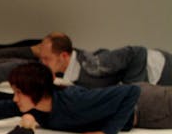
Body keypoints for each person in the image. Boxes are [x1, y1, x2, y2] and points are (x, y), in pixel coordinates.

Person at [0, 62, 172, 134]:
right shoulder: (35, 107)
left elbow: (132, 91)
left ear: (37, 92)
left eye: (19, 92)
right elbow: (2, 108)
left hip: (149, 105)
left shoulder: (75, 100)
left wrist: (107, 132)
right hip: (138, 113)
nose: (15, 98)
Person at [36, 32, 172, 87]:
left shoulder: (91, 65)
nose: (43, 63)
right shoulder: (72, 75)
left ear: (64, 56)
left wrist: (133, 90)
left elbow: (137, 53)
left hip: (161, 69)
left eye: (47, 59)